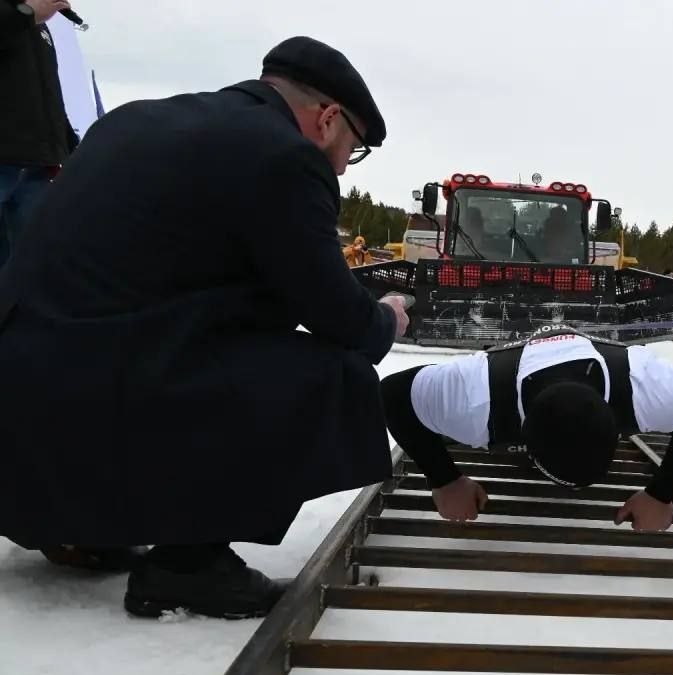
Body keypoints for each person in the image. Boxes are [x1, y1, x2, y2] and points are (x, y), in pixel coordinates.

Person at [0, 36, 411, 619]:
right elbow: (339, 317)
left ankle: (78, 528)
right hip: (95, 398)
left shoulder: (130, 121)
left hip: (18, 416)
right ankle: (186, 566)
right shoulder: (282, 156)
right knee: (333, 373)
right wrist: (387, 318)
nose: (345, 165)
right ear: (326, 119)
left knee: (176, 340)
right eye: (354, 148)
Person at [380, 324, 673, 532]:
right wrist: (445, 480)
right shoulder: (474, 400)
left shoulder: (647, 387)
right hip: (509, 375)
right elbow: (390, 395)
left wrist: (661, 493)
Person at [1, 0, 79, 268]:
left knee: (32, 266)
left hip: (37, 167)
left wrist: (69, 146)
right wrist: (26, 14)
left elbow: (49, 94)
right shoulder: (22, 16)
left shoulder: (40, 29)